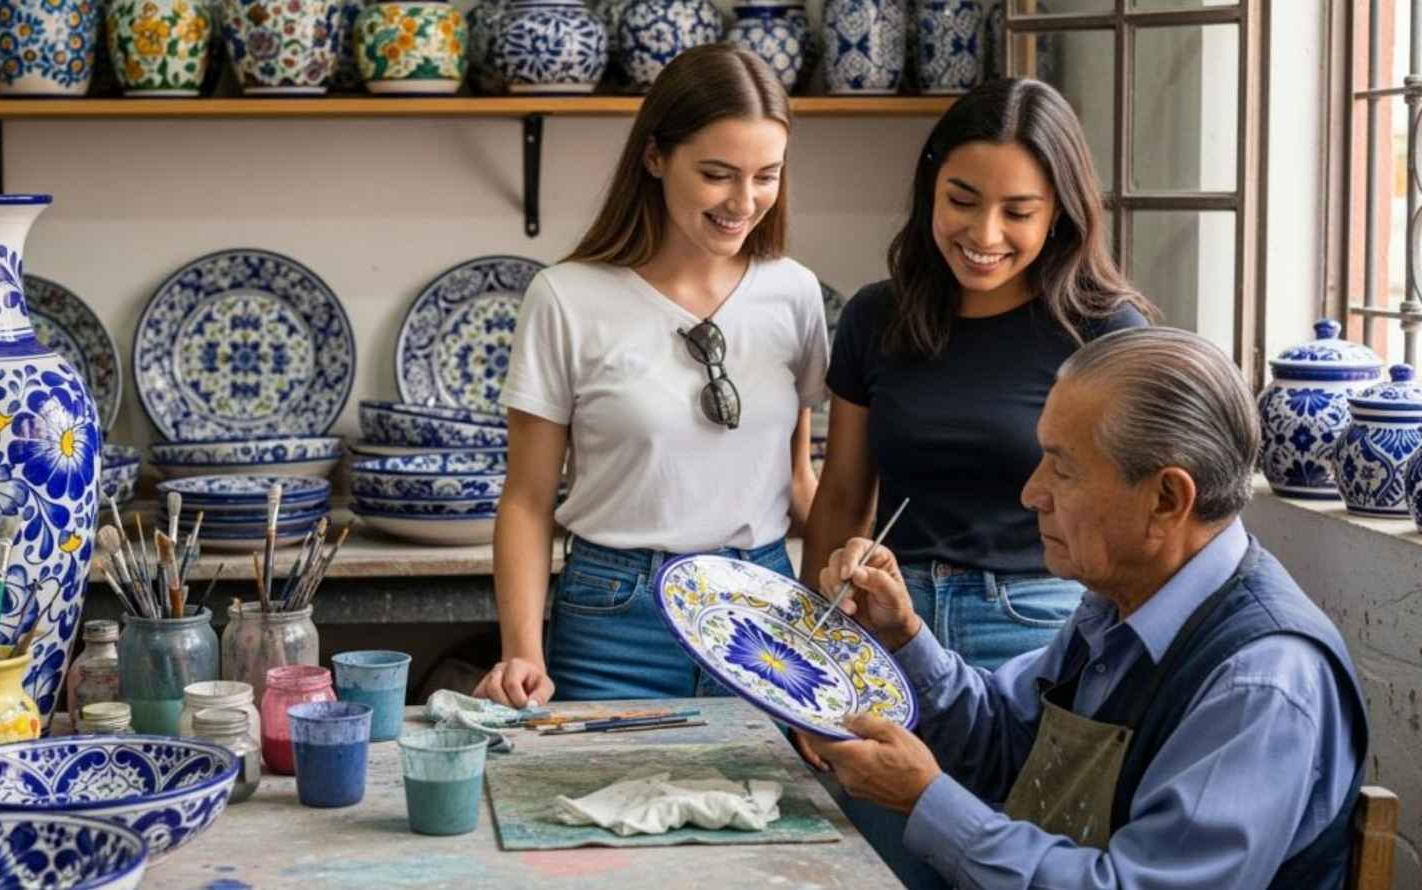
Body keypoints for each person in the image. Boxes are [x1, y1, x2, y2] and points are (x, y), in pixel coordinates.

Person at [802, 327, 1369, 890]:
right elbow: (1007, 742)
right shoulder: (1121, 600)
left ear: (1167, 499)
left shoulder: (1261, 683)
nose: (1031, 493)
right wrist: (903, 636)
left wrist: (926, 800)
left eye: (1062, 468)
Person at [474, 45, 828, 707]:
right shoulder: (565, 297)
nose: (743, 201)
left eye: (766, 176)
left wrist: (855, 582)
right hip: (615, 617)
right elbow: (526, 499)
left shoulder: (796, 293)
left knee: (775, 811)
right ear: (655, 156)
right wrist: (522, 649)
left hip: (766, 617)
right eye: (718, 174)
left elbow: (798, 476)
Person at [802, 77, 1154, 672]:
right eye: (961, 201)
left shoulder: (1105, 332)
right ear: (930, 191)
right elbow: (839, 496)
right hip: (888, 614)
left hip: (1038, 623)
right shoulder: (874, 316)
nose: (984, 235)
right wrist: (812, 651)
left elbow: (1140, 518)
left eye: (1018, 212)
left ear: (1059, 212)